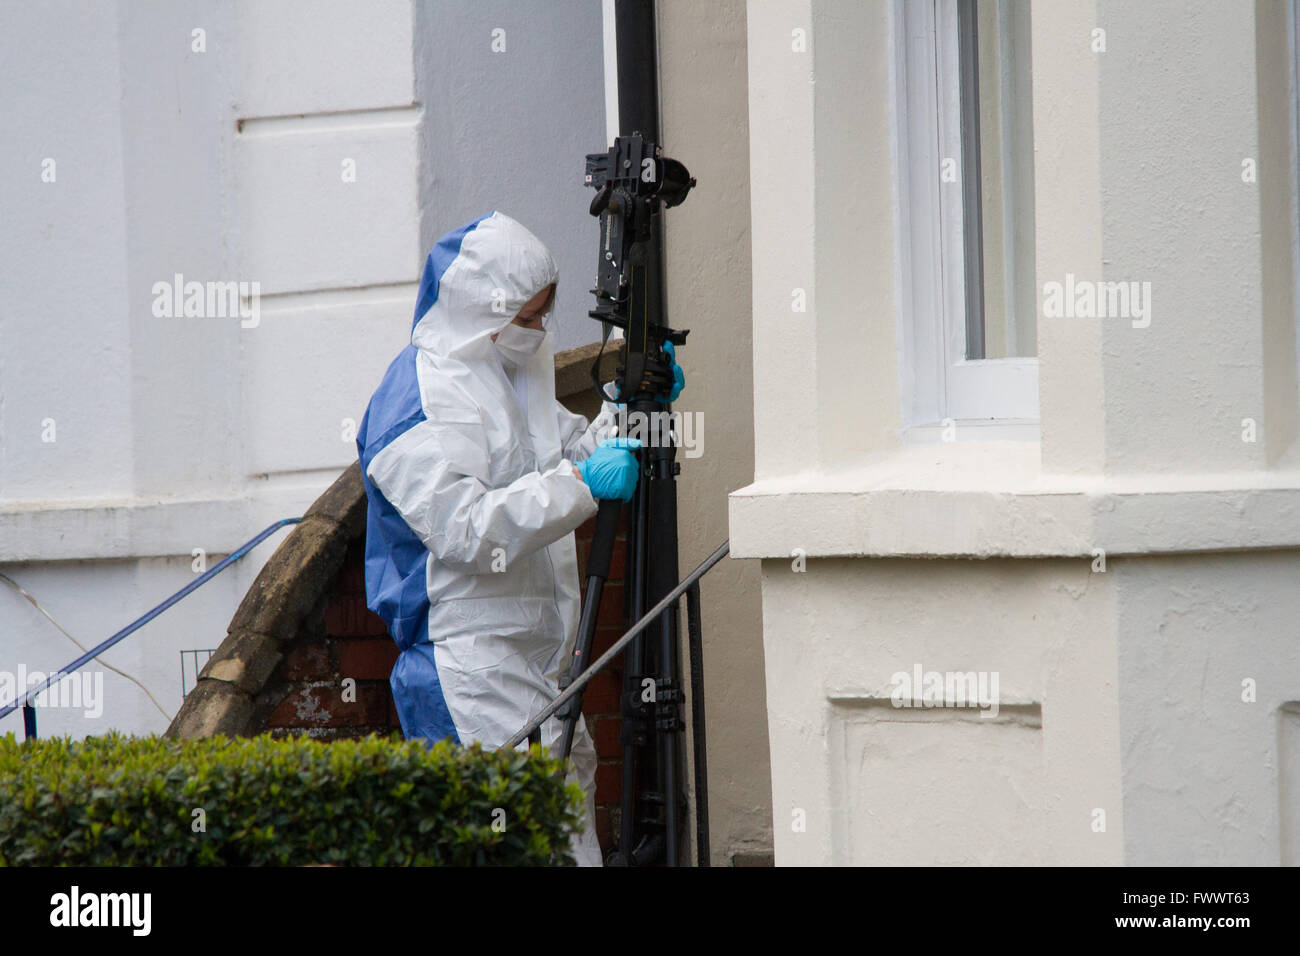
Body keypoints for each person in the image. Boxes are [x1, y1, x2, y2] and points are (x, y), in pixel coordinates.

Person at [355, 211, 681, 866]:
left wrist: (630, 405)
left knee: (569, 847)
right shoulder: (415, 401)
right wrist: (585, 485)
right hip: (469, 669)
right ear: (483, 310)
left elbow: (573, 455)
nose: (537, 332)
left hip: (541, 660)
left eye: (542, 315)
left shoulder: (511, 374)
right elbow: (466, 528)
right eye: (526, 318)